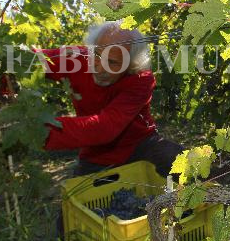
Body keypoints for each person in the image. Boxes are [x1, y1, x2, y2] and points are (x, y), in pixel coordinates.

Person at [34, 21, 183, 178]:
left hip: (140, 146)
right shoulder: (76, 58)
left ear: (130, 64)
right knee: (81, 190)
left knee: (186, 166)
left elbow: (105, 127)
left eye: (112, 62)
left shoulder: (141, 79)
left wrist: (39, 130)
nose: (100, 68)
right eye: (97, 55)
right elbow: (29, 60)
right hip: (96, 155)